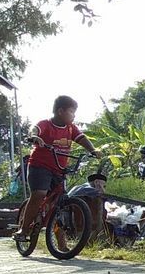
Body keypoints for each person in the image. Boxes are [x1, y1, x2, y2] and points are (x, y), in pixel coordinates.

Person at [15, 95, 99, 242]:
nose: (74, 115)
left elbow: (82, 138)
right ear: (61, 111)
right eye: (72, 112)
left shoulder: (71, 128)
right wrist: (35, 137)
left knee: (58, 204)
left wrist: (93, 150)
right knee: (39, 194)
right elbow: (33, 130)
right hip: (39, 166)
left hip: (59, 169)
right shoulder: (46, 124)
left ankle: (60, 241)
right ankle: (23, 229)